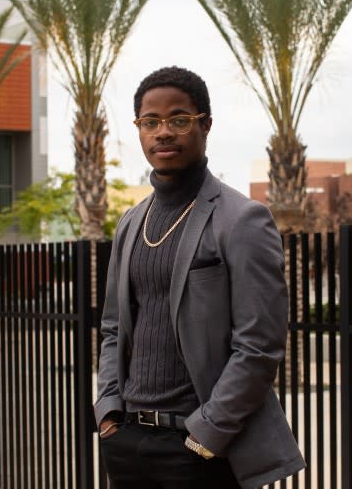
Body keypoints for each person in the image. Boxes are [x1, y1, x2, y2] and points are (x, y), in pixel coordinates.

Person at [94, 66, 304, 489]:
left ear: (205, 125)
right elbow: (114, 328)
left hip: (196, 449)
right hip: (128, 439)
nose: (163, 132)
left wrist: (207, 433)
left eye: (178, 119)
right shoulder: (131, 222)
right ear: (139, 130)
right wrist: (108, 411)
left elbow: (259, 346)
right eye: (150, 122)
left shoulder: (241, 219)